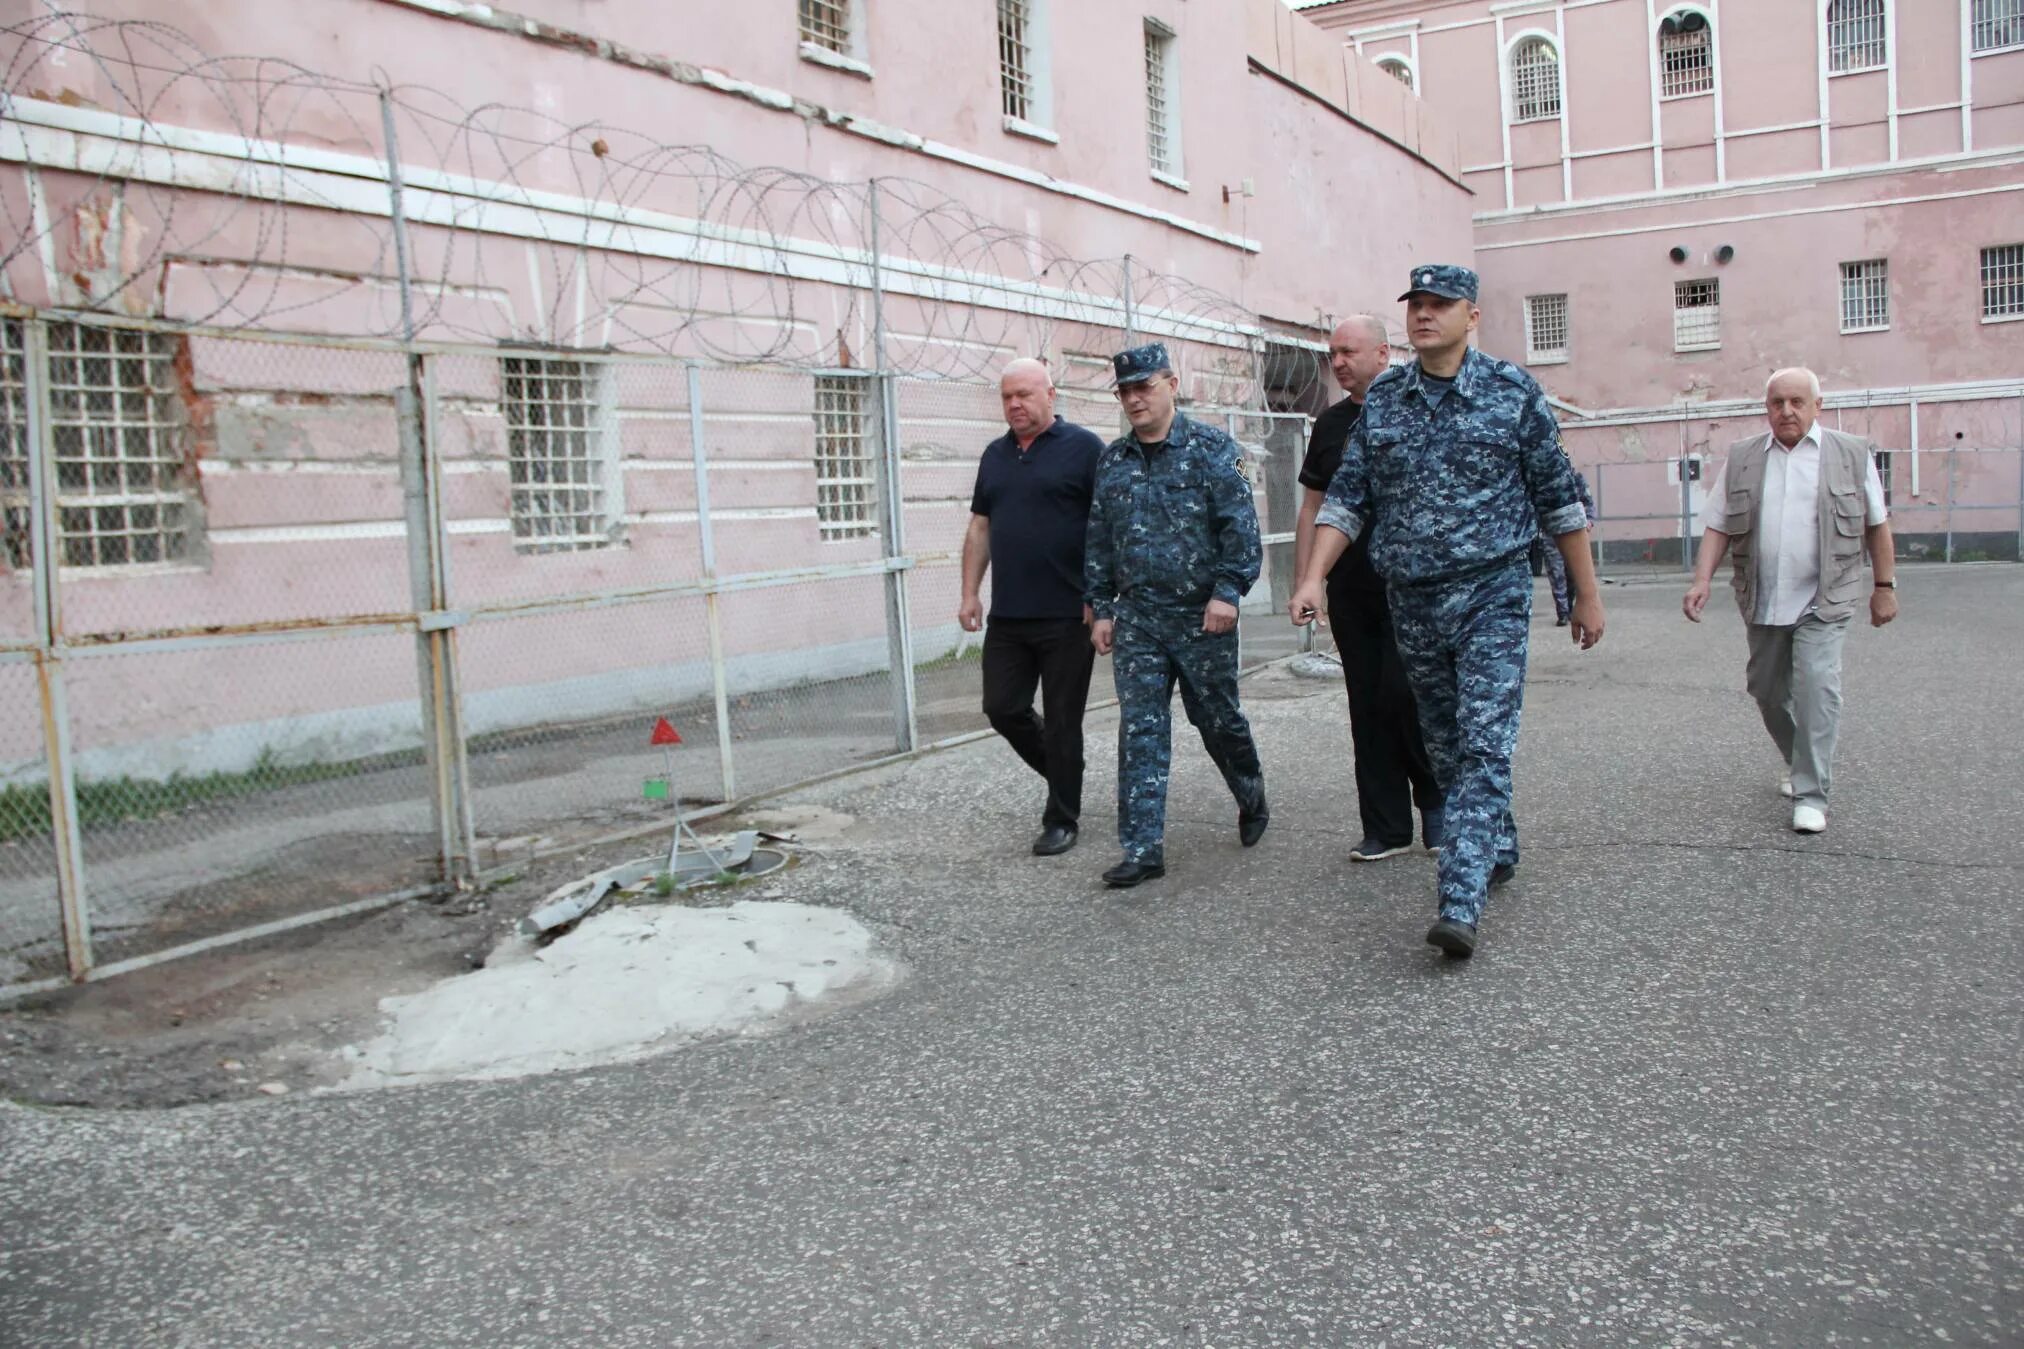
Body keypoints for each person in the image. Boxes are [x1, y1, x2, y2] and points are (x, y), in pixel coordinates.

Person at [1288, 265, 1605, 959]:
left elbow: (1560, 499)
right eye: (1416, 305)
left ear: (1472, 315)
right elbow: (1347, 500)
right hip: (1414, 599)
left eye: (1440, 305)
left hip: (1493, 593)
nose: (1425, 315)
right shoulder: (1387, 403)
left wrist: (1585, 591)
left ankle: (1458, 899)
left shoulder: (1512, 392)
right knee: (1446, 742)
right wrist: (1313, 574)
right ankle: (1500, 841)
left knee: (1485, 738)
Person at [1682, 367, 1896, 834]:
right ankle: (1799, 761)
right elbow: (1717, 524)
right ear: (1767, 409)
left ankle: (1811, 795)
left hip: (1827, 596)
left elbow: (1876, 525)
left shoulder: (1851, 455)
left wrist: (1884, 587)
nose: (1787, 411)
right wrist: (1701, 580)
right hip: (1763, 596)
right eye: (1778, 403)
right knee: (1767, 690)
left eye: (1797, 402)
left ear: (1817, 406)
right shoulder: (1743, 459)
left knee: (1818, 686)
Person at [1084, 342, 1267, 889]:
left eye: (1144, 387)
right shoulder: (1112, 461)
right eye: (1125, 391)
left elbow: (1241, 528)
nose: (1134, 399)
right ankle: (1142, 849)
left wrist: (1228, 593)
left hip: (1200, 617)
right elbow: (1098, 538)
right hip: (1138, 617)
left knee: (1216, 719)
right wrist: (1100, 606)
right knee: (1140, 728)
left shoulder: (1214, 449)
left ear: (1171, 384)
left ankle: (1249, 788)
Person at [1292, 315, 1445, 863]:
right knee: (1367, 703)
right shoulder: (1331, 425)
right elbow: (1314, 504)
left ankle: (1437, 806)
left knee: (1407, 695)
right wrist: (1306, 579)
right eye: (1332, 354)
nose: (1337, 363)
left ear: (1383, 353)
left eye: (1347, 352)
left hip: (1413, 586)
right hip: (1352, 588)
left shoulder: (1418, 408)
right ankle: (1385, 825)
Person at [958, 358, 1107, 856]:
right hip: (1010, 614)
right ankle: (1068, 773)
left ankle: (1061, 817)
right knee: (1002, 707)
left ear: (1051, 394)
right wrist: (969, 592)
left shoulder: (1085, 450)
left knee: (1064, 720)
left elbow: (1108, 528)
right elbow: (980, 527)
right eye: (1007, 397)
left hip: (1069, 614)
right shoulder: (994, 456)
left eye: (1024, 394)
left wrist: (1101, 597)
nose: (1015, 404)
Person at [1538, 470, 1598, 625]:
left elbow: (1588, 503)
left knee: (1572, 573)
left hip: (1574, 533)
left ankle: (1570, 606)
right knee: (1556, 574)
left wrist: (1589, 521)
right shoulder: (1545, 478)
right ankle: (1563, 612)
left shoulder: (1576, 478)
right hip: (1550, 534)